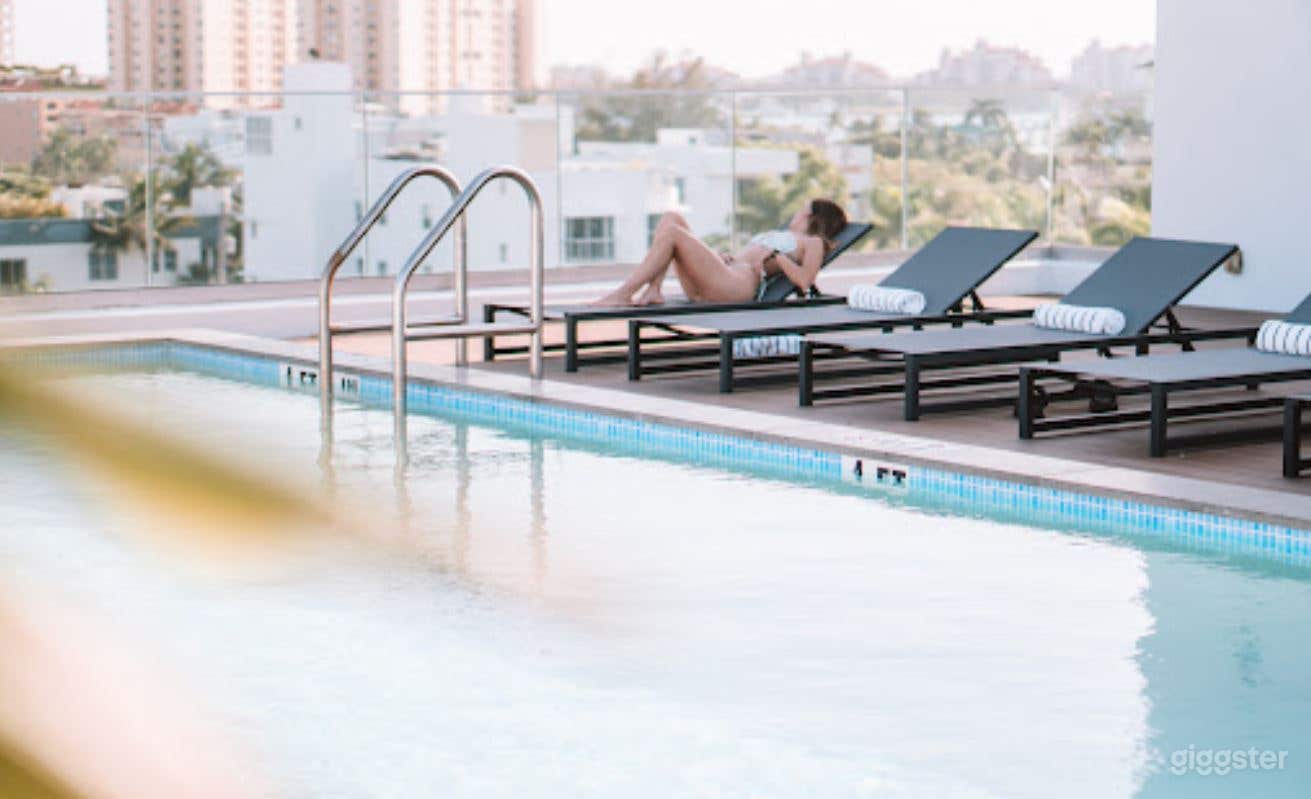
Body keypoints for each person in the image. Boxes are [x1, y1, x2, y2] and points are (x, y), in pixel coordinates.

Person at [591, 199, 849, 307]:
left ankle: (623, 294)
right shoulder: (784, 233)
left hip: (740, 285)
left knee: (672, 233)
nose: (797, 212)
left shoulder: (812, 242)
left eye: (802, 208)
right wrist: (729, 258)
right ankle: (653, 289)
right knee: (672, 218)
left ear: (809, 214)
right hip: (727, 273)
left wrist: (776, 257)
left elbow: (805, 281)